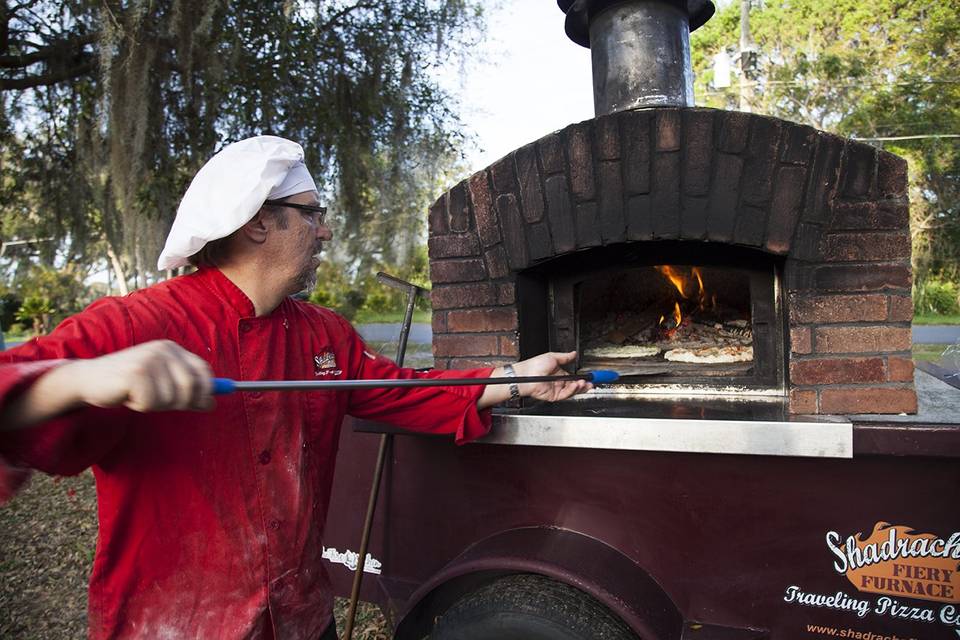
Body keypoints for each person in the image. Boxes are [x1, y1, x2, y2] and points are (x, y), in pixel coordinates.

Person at [0, 136, 589, 640]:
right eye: (312, 212)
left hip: (302, 616)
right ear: (259, 221)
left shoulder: (324, 332)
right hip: (175, 623)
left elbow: (403, 389)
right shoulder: (134, 325)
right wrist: (82, 377)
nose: (326, 231)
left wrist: (519, 379)